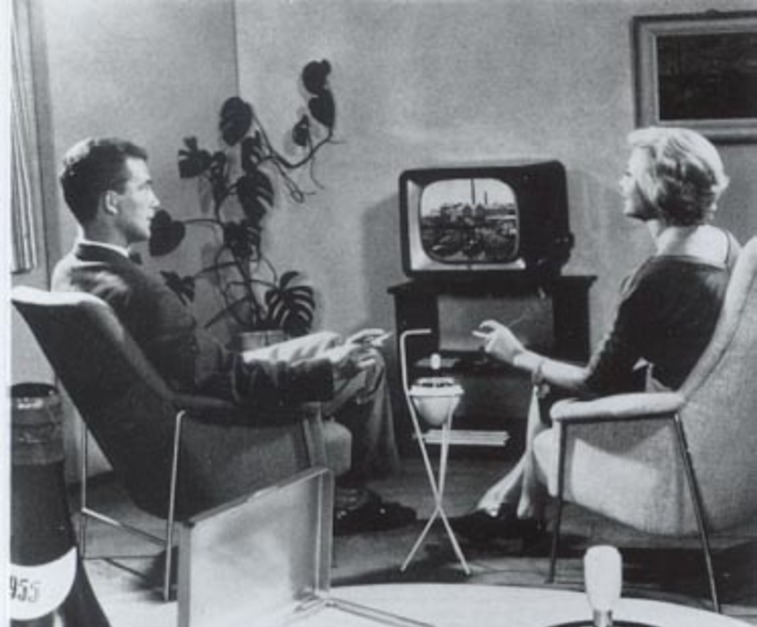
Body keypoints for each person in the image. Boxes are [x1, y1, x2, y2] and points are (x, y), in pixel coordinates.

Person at [52, 137, 415, 535]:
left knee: (330, 341)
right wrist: (325, 371)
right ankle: (349, 500)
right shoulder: (139, 292)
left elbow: (202, 367)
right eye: (144, 187)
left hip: (164, 432)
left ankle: (337, 495)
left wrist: (326, 356)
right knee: (368, 364)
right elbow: (225, 380)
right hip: (210, 428)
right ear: (111, 202)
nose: (156, 201)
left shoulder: (70, 274)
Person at [450, 126, 739, 545]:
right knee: (550, 390)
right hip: (702, 404)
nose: (621, 182)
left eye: (630, 174)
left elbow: (594, 383)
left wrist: (517, 356)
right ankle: (513, 504)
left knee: (547, 391)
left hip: (668, 418)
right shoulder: (724, 245)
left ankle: (522, 512)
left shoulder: (655, 278)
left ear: (658, 189)